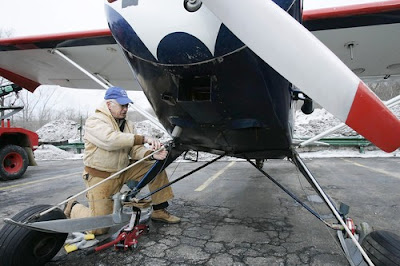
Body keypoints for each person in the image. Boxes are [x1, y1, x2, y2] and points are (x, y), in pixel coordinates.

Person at [64, 86, 180, 235]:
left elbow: (134, 149)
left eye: (126, 105)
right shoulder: (95, 121)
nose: (125, 109)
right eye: (121, 105)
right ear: (108, 105)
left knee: (155, 167)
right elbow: (110, 140)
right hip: (102, 176)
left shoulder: (129, 125)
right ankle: (72, 206)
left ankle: (159, 210)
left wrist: (151, 154)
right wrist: (144, 138)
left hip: (123, 170)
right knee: (98, 228)